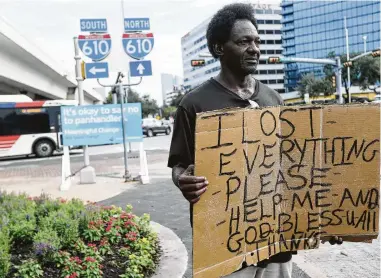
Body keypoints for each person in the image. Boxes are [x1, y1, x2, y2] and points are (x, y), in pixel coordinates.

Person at [168, 3, 341, 278]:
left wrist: (329, 216)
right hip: (226, 246)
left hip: (276, 242)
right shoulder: (193, 104)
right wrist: (183, 181)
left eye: (257, 41)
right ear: (219, 49)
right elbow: (179, 166)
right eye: (244, 41)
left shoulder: (273, 99)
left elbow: (293, 167)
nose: (255, 48)